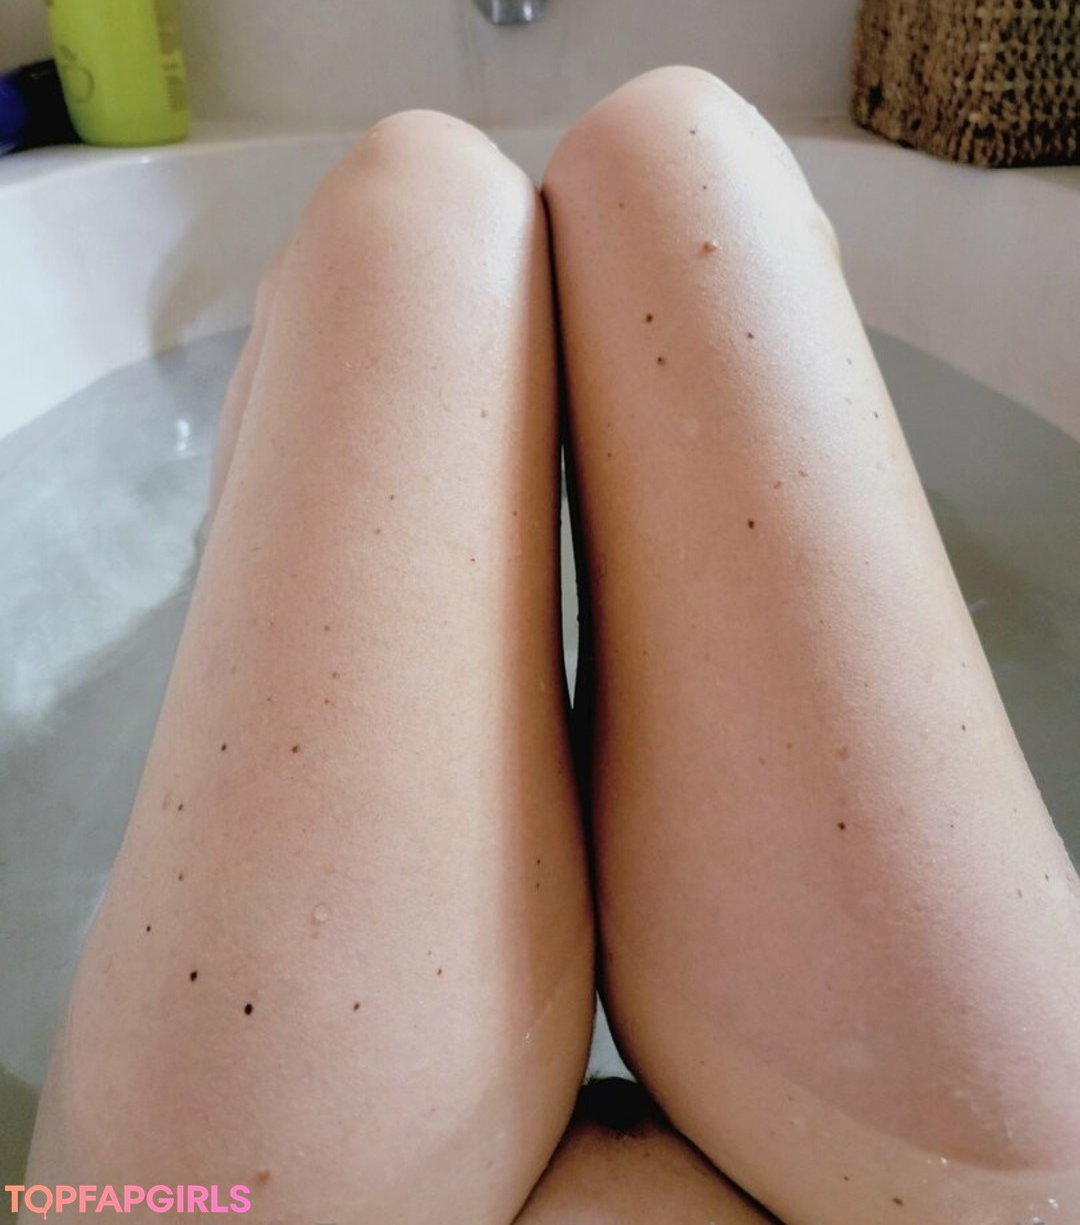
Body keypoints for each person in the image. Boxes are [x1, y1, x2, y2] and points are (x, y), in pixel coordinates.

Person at [21, 67, 1080, 1224]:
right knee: (675, 155)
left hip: (220, 1197)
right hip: (978, 1188)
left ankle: (250, 491)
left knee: (417, 203)